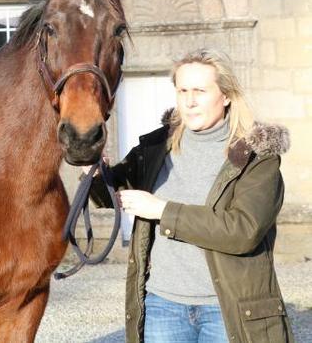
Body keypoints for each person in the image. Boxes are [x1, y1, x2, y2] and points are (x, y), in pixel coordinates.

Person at [92, 48, 295, 343]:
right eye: (182, 90)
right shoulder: (156, 147)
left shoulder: (256, 156)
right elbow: (115, 193)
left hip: (227, 308)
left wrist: (164, 211)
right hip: (163, 305)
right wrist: (96, 174)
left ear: (225, 96)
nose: (189, 100)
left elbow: (243, 230)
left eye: (200, 90)